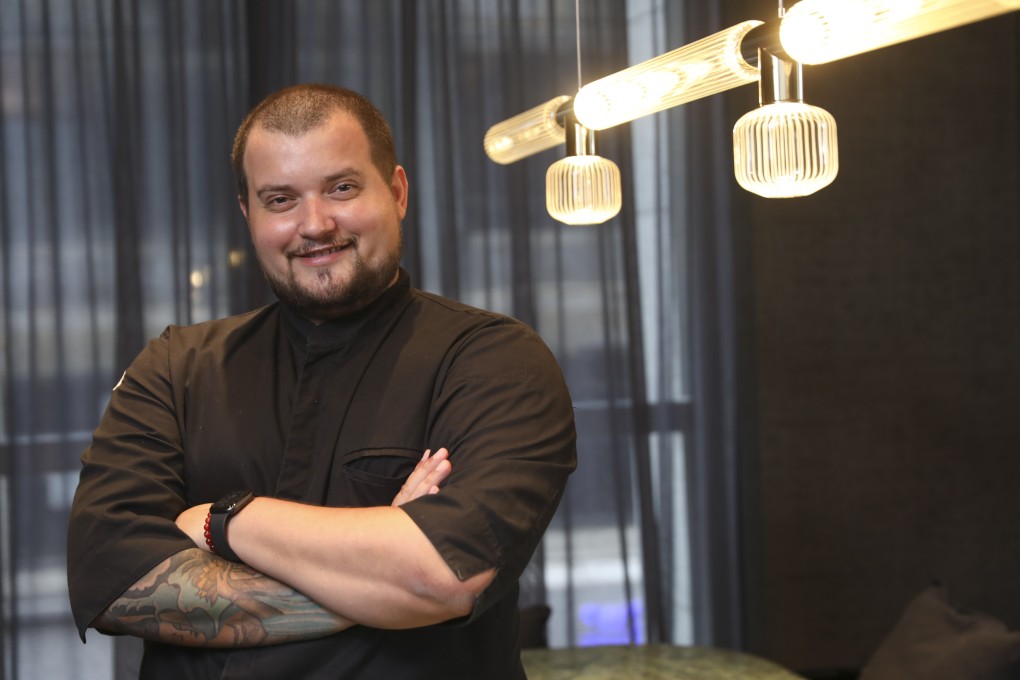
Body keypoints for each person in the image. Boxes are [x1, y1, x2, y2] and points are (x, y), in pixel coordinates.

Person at [67, 83, 577, 679]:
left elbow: (444, 575)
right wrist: (383, 581)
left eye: (341, 187)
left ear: (397, 191)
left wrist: (224, 521)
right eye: (280, 199)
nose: (315, 224)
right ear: (248, 214)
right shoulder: (175, 367)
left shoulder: (495, 360)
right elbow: (113, 576)